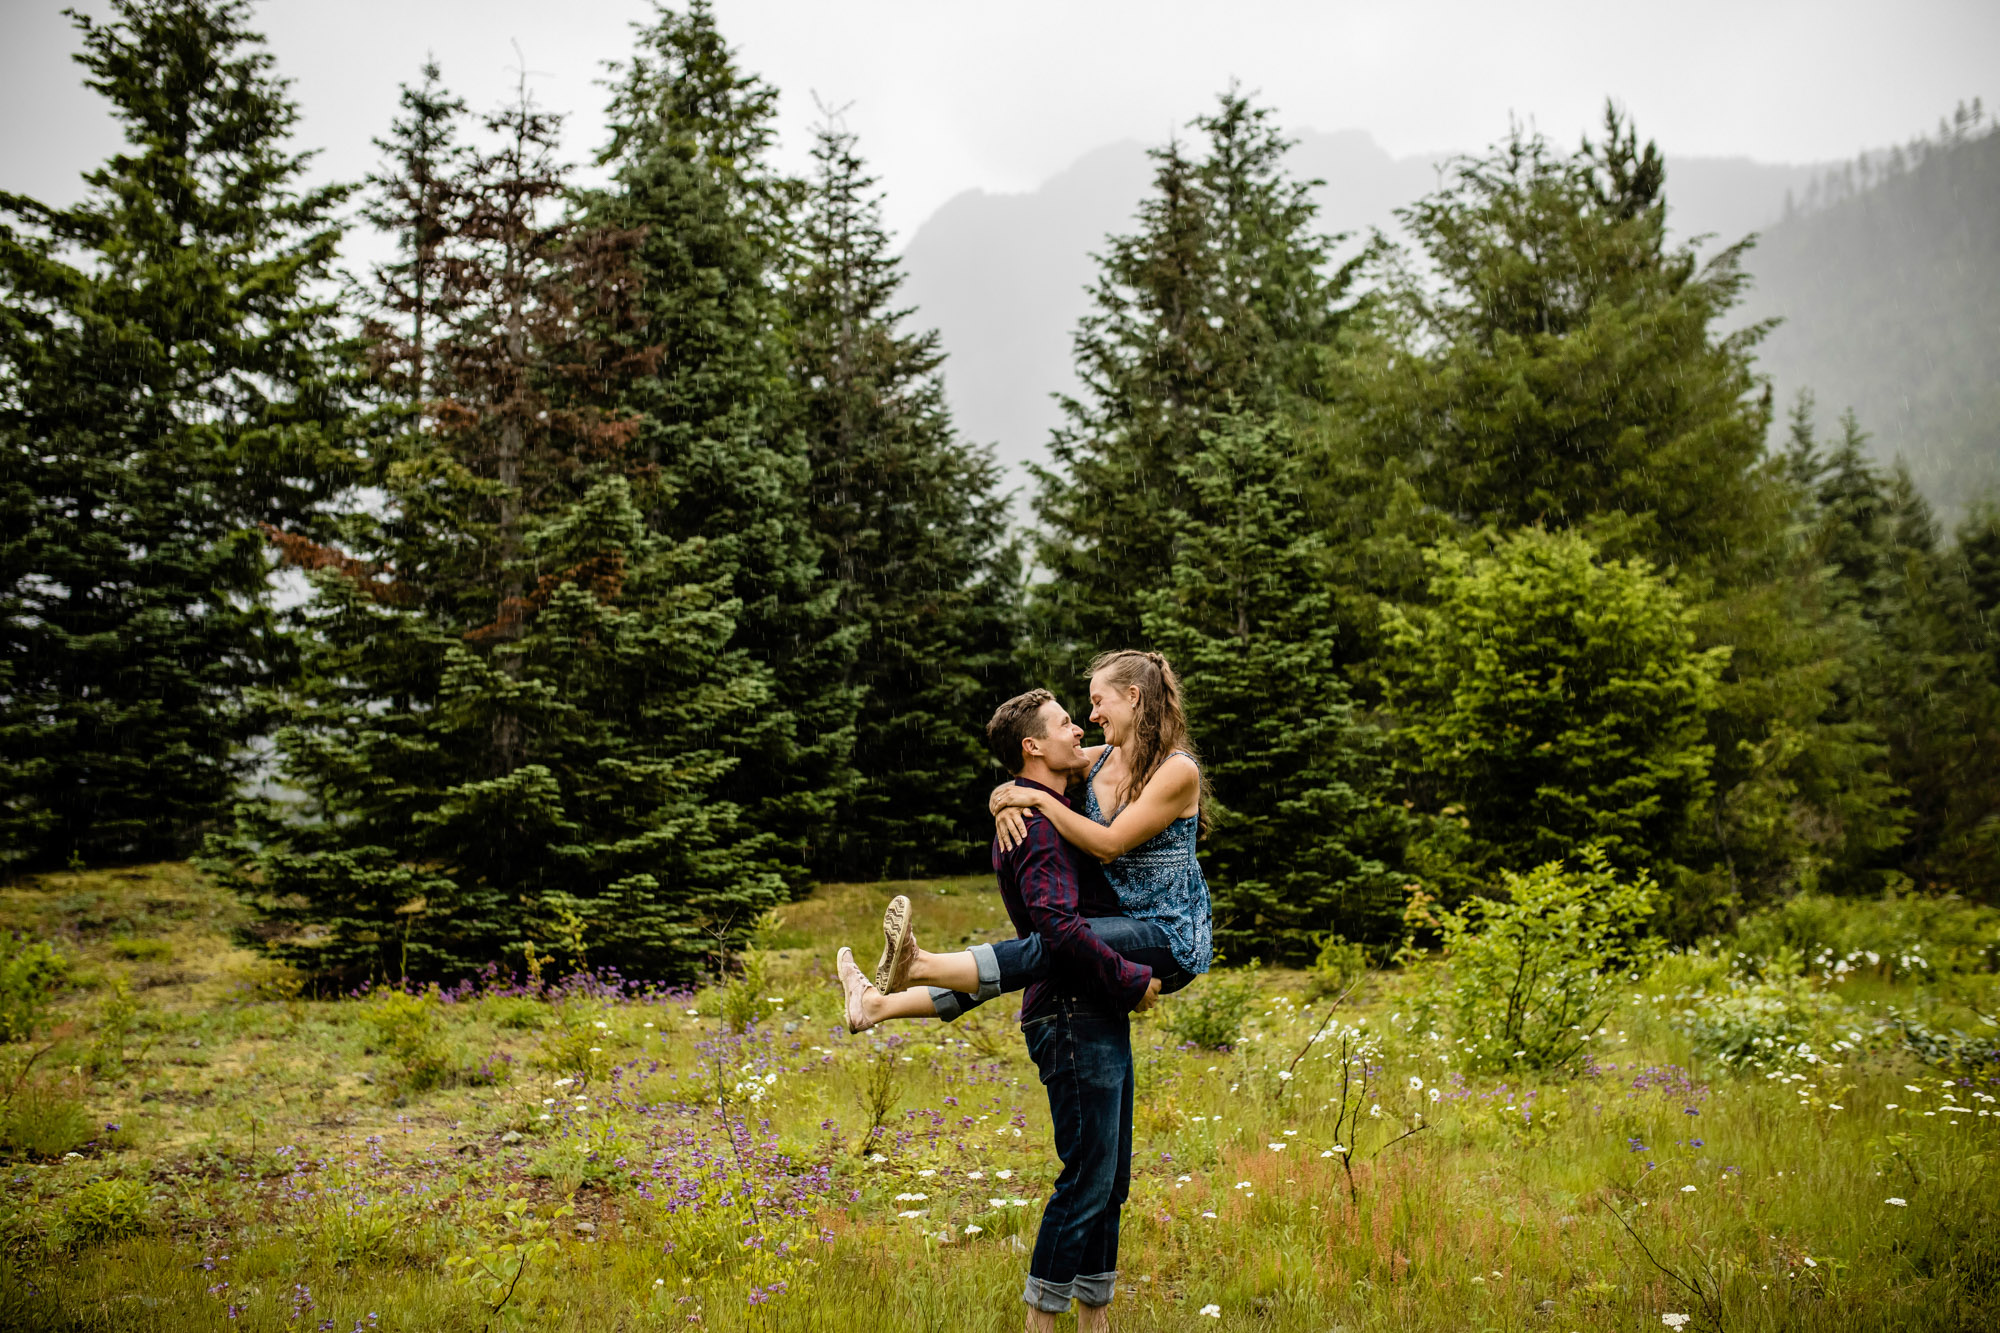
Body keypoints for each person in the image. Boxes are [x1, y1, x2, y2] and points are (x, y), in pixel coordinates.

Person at [835, 687, 1161, 1331]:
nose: (1079, 729)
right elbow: (1059, 936)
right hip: (1071, 1015)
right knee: (1088, 1178)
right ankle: (1044, 1321)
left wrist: (1017, 790)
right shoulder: (1036, 830)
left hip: (1089, 1007)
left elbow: (1120, 748)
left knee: (1110, 1178)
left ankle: (1094, 1322)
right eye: (1066, 722)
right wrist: (1129, 980)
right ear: (1032, 746)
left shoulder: (1045, 806)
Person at [846, 650, 1212, 1027]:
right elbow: (1035, 768)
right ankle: (880, 1007)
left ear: (1133, 697)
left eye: (1099, 701)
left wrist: (1035, 799)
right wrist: (1002, 803)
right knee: (1055, 948)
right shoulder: (1099, 760)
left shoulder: (1177, 770)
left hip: (1167, 936)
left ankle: (921, 966)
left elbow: (1108, 844)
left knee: (1055, 944)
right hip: (1114, 917)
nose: (1092, 716)